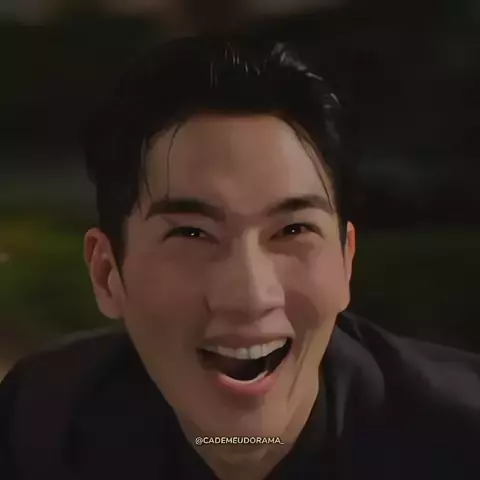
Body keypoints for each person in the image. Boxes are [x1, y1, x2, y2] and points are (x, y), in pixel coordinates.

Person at [1, 36, 479, 480]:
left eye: (293, 230)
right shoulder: (40, 424)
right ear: (107, 273)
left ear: (345, 261)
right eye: (192, 233)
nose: (251, 296)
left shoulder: (460, 441)